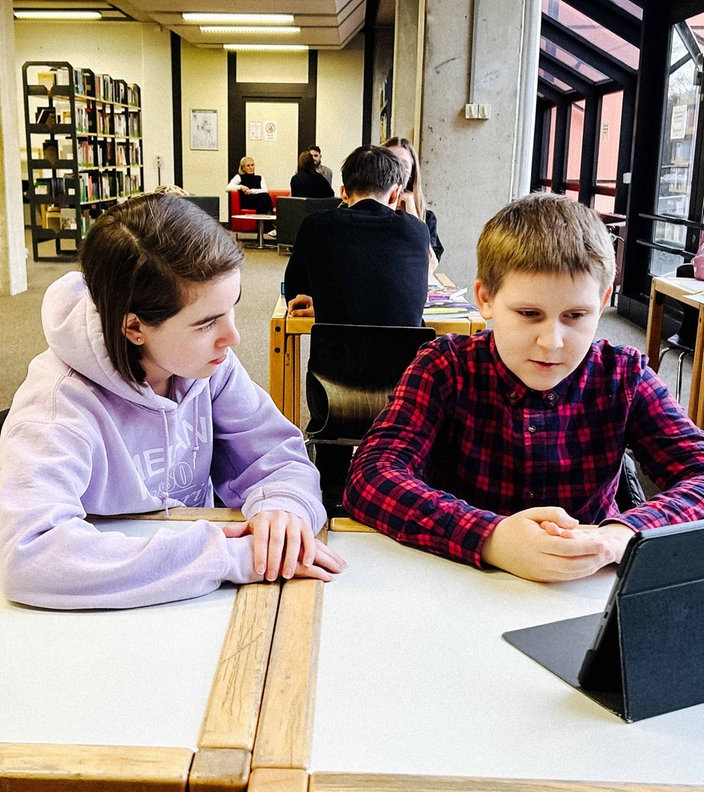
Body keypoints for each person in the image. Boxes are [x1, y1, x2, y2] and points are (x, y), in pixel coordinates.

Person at [0, 193, 344, 610]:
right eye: (206, 323)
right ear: (134, 328)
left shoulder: (209, 365)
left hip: (196, 601)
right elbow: (29, 555)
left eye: (231, 309)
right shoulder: (57, 406)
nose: (233, 338)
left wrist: (284, 508)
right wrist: (221, 556)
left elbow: (278, 455)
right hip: (100, 621)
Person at [344, 192, 704, 583]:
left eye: (576, 315)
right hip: (460, 580)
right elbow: (371, 474)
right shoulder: (445, 366)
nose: (552, 341)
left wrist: (622, 536)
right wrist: (492, 537)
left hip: (586, 588)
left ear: (602, 303)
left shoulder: (623, 376)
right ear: (486, 298)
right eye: (529, 314)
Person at [284, 144, 430, 325]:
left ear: (343, 193)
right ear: (395, 195)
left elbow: (294, 295)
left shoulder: (315, 225)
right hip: (404, 352)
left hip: (333, 352)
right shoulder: (417, 230)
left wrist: (325, 304)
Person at [383, 136, 443, 271]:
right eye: (390, 163)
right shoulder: (365, 213)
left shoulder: (427, 218)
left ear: (412, 172)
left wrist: (413, 214)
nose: (397, 171)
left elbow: (429, 267)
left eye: (404, 165)